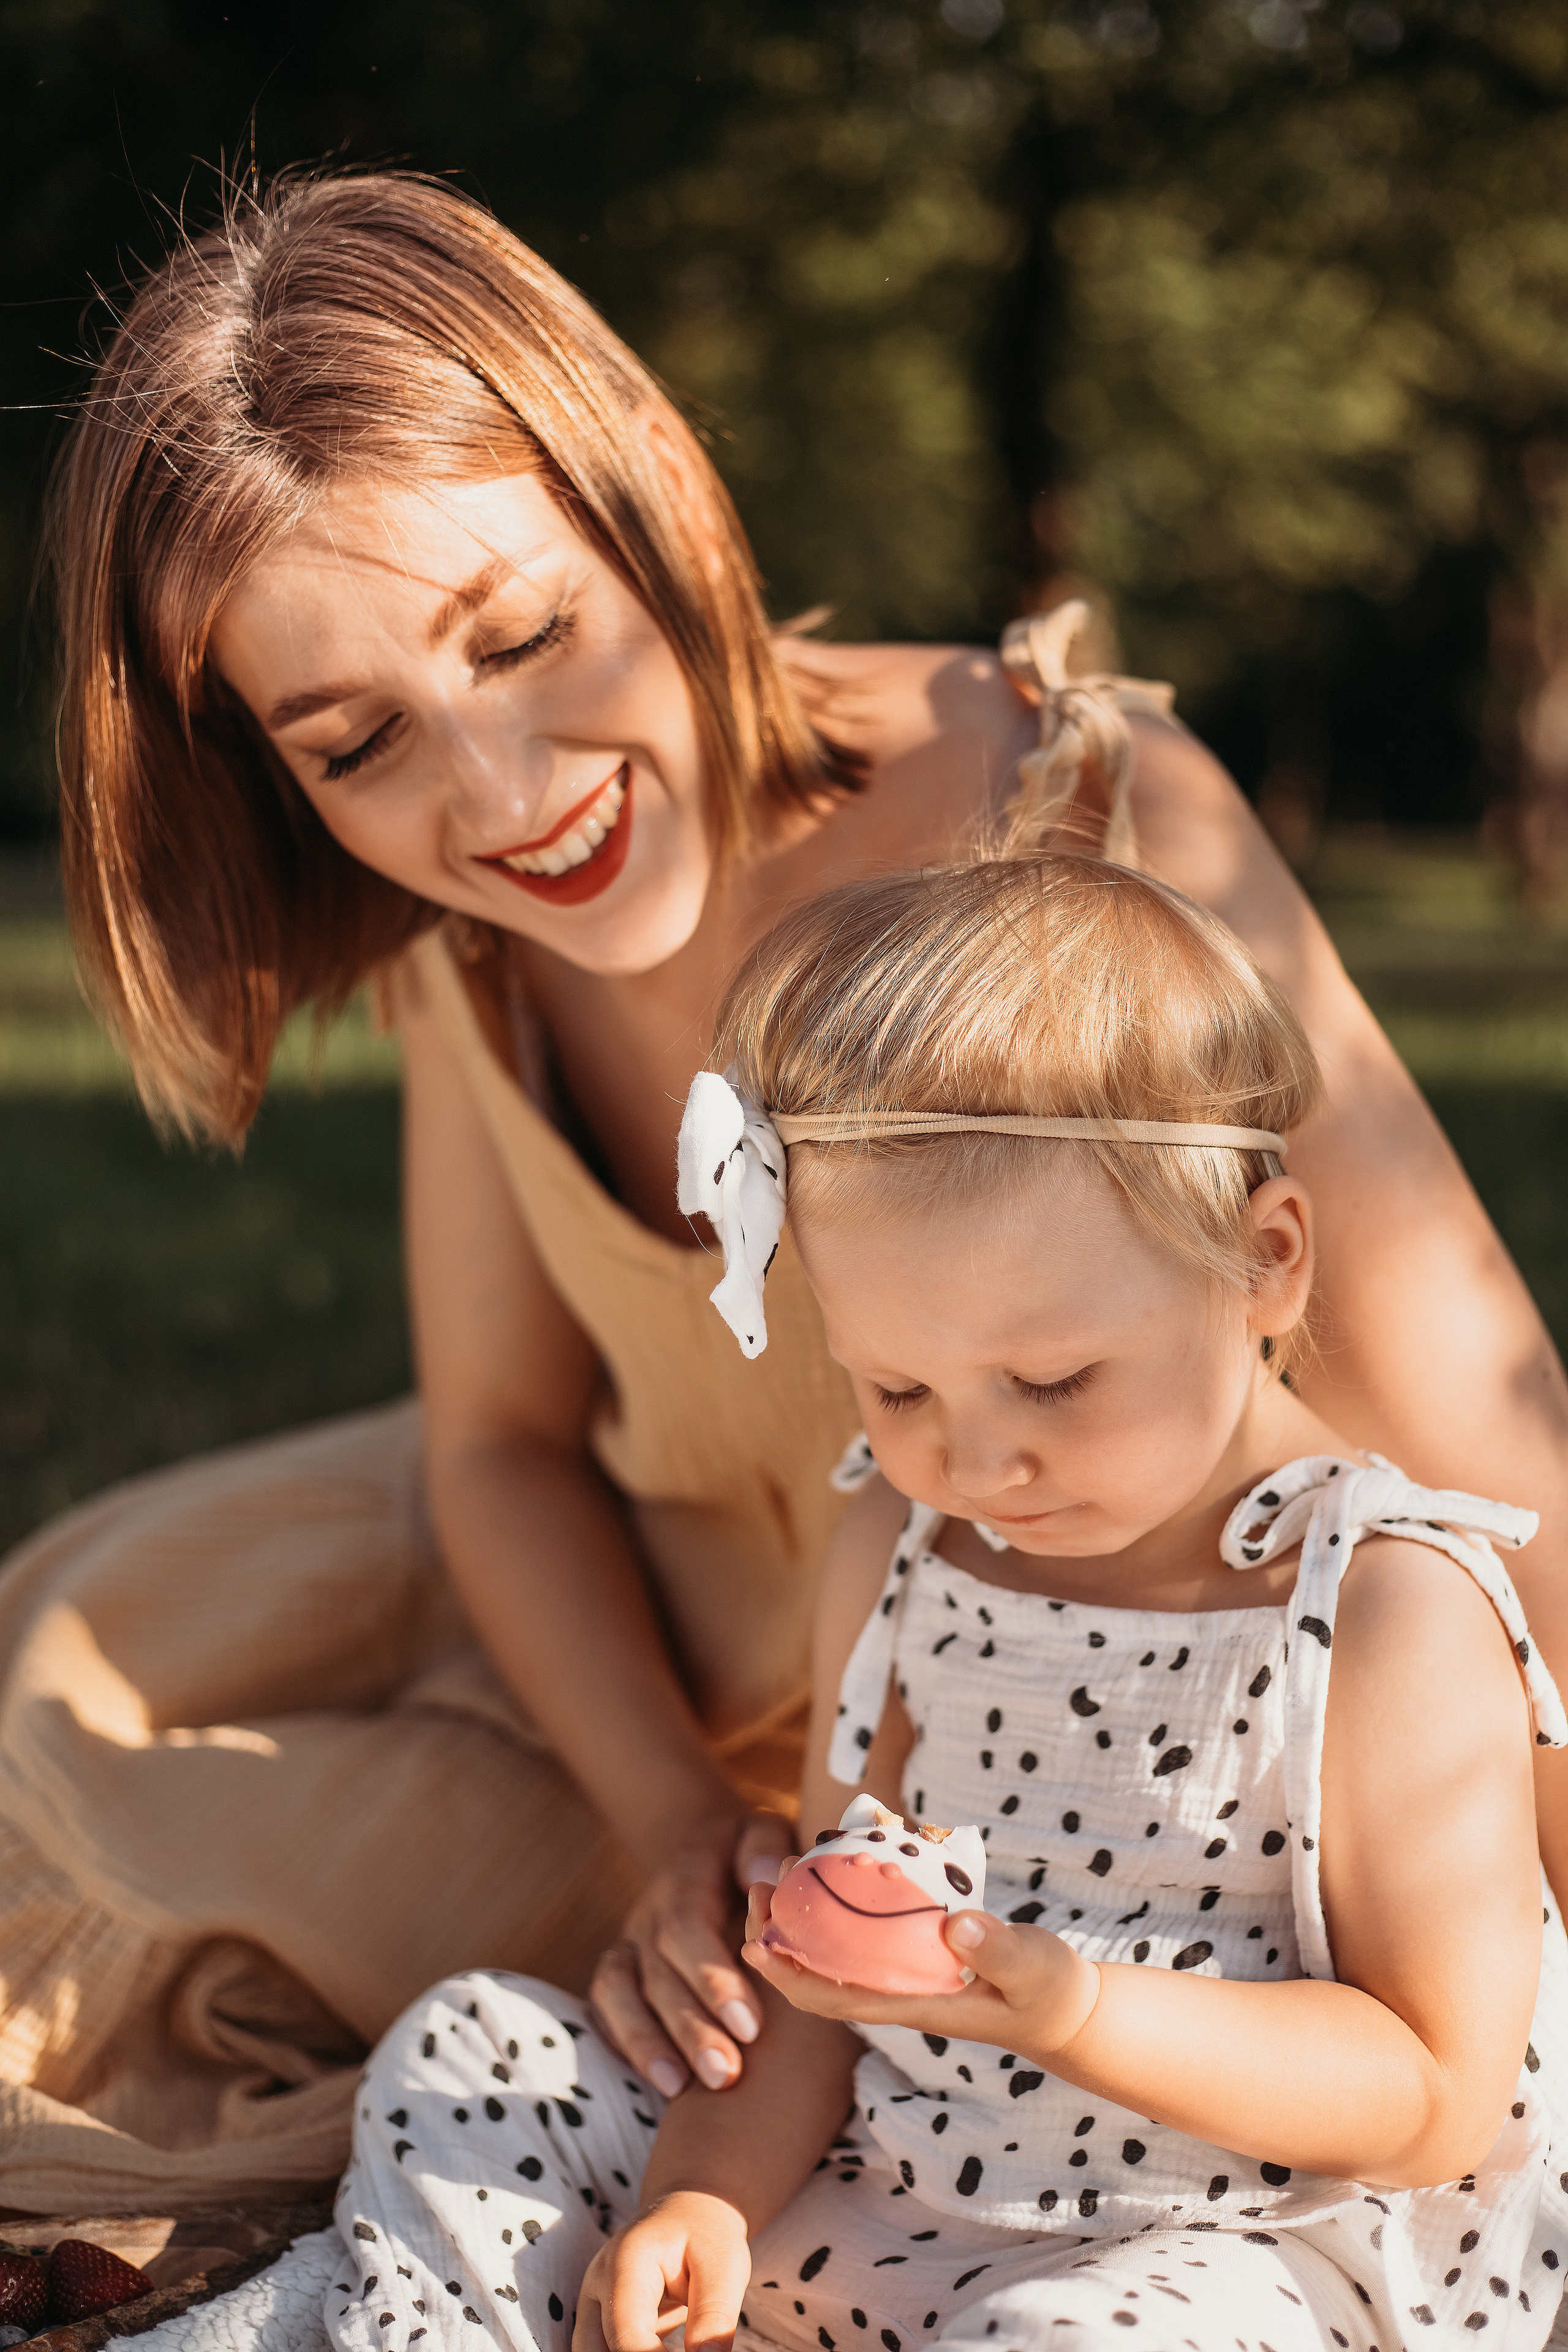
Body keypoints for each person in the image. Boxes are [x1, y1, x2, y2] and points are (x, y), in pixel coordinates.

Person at [4, 160, 1567, 2212]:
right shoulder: (476, 947)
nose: (499, 799)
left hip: (961, 1707)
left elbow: (1494, 1458)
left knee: (210, 1944)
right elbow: (498, 1450)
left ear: (649, 477)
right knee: (63, 1695)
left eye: (530, 630)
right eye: (358, 742)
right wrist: (668, 1823)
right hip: (615, 1663)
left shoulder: (1069, 807)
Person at [331, 851, 1568, 2352]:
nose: (974, 1458)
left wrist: (1075, 2013)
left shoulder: (1380, 1602)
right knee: (468, 2051)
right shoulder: (902, 1539)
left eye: (1051, 1380)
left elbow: (1430, 2093)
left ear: (1263, 1263)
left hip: (1235, 2246)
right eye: (897, 1383)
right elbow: (821, 1965)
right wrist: (703, 2199)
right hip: (895, 2182)